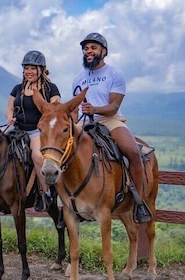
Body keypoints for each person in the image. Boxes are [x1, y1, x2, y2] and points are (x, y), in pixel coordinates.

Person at [71, 32, 152, 223]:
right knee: (61, 149)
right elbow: (75, 108)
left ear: (103, 51)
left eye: (93, 47)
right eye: (86, 48)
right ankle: (69, 202)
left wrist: (95, 109)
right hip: (84, 122)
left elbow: (114, 106)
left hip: (109, 119)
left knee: (132, 151)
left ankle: (138, 201)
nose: (88, 51)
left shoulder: (114, 74)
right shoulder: (78, 78)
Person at [6, 50, 61, 212]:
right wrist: (10, 117)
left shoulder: (50, 88)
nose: (28, 72)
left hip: (37, 131)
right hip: (17, 129)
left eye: (32, 68)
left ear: (41, 70)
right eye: (26, 68)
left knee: (37, 156)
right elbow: (9, 108)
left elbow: (55, 109)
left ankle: (47, 192)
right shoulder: (17, 88)